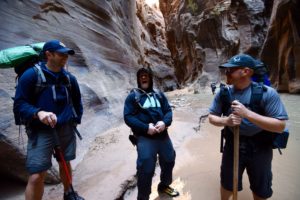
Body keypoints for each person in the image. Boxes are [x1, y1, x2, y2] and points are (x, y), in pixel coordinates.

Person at [208, 54, 288, 200]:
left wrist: (247, 114)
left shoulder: (267, 93)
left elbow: (280, 126)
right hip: (232, 145)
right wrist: (227, 121)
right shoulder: (223, 93)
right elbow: (211, 117)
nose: (226, 73)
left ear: (246, 71)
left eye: (230, 70)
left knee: (261, 188)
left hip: (260, 147)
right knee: (227, 183)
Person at [13, 40, 84, 200]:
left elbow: (77, 101)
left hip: (65, 128)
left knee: (65, 162)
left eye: (66, 54)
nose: (65, 57)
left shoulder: (69, 79)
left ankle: (68, 193)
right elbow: (19, 104)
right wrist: (38, 113)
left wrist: (75, 119)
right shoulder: (31, 75)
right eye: (61, 53)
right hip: (41, 131)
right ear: (48, 54)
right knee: (37, 175)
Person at [123, 67, 179, 200]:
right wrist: (145, 127)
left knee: (169, 159)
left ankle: (164, 185)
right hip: (145, 137)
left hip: (162, 135)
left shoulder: (159, 95)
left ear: (150, 78)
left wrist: (164, 123)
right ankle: (143, 197)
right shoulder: (133, 97)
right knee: (146, 166)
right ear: (138, 79)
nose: (143, 78)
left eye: (146, 75)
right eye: (141, 76)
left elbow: (168, 111)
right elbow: (128, 117)